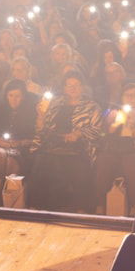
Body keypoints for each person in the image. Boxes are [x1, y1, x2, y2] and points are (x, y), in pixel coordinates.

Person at [28, 70, 103, 212]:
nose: (73, 88)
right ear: (64, 88)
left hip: (78, 147)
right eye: (69, 85)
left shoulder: (91, 106)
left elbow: (98, 131)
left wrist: (79, 133)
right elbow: (42, 131)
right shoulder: (55, 104)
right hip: (53, 144)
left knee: (66, 164)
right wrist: (41, 116)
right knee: (43, 160)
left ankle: (75, 208)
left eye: (76, 85)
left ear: (82, 87)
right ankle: (40, 208)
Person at [94, 83, 135, 215]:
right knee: (103, 162)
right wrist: (114, 126)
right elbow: (103, 132)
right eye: (127, 95)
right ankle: (99, 205)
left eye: (134, 95)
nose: (130, 98)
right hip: (115, 146)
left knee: (133, 164)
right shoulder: (114, 109)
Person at [0, 79, 37, 205]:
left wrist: (19, 143)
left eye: (17, 96)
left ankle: (10, 201)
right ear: (6, 95)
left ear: (23, 97)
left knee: (11, 161)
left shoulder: (31, 113)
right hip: (1, 146)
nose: (14, 99)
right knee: (0, 154)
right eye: (10, 95)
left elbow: (35, 138)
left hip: (22, 150)